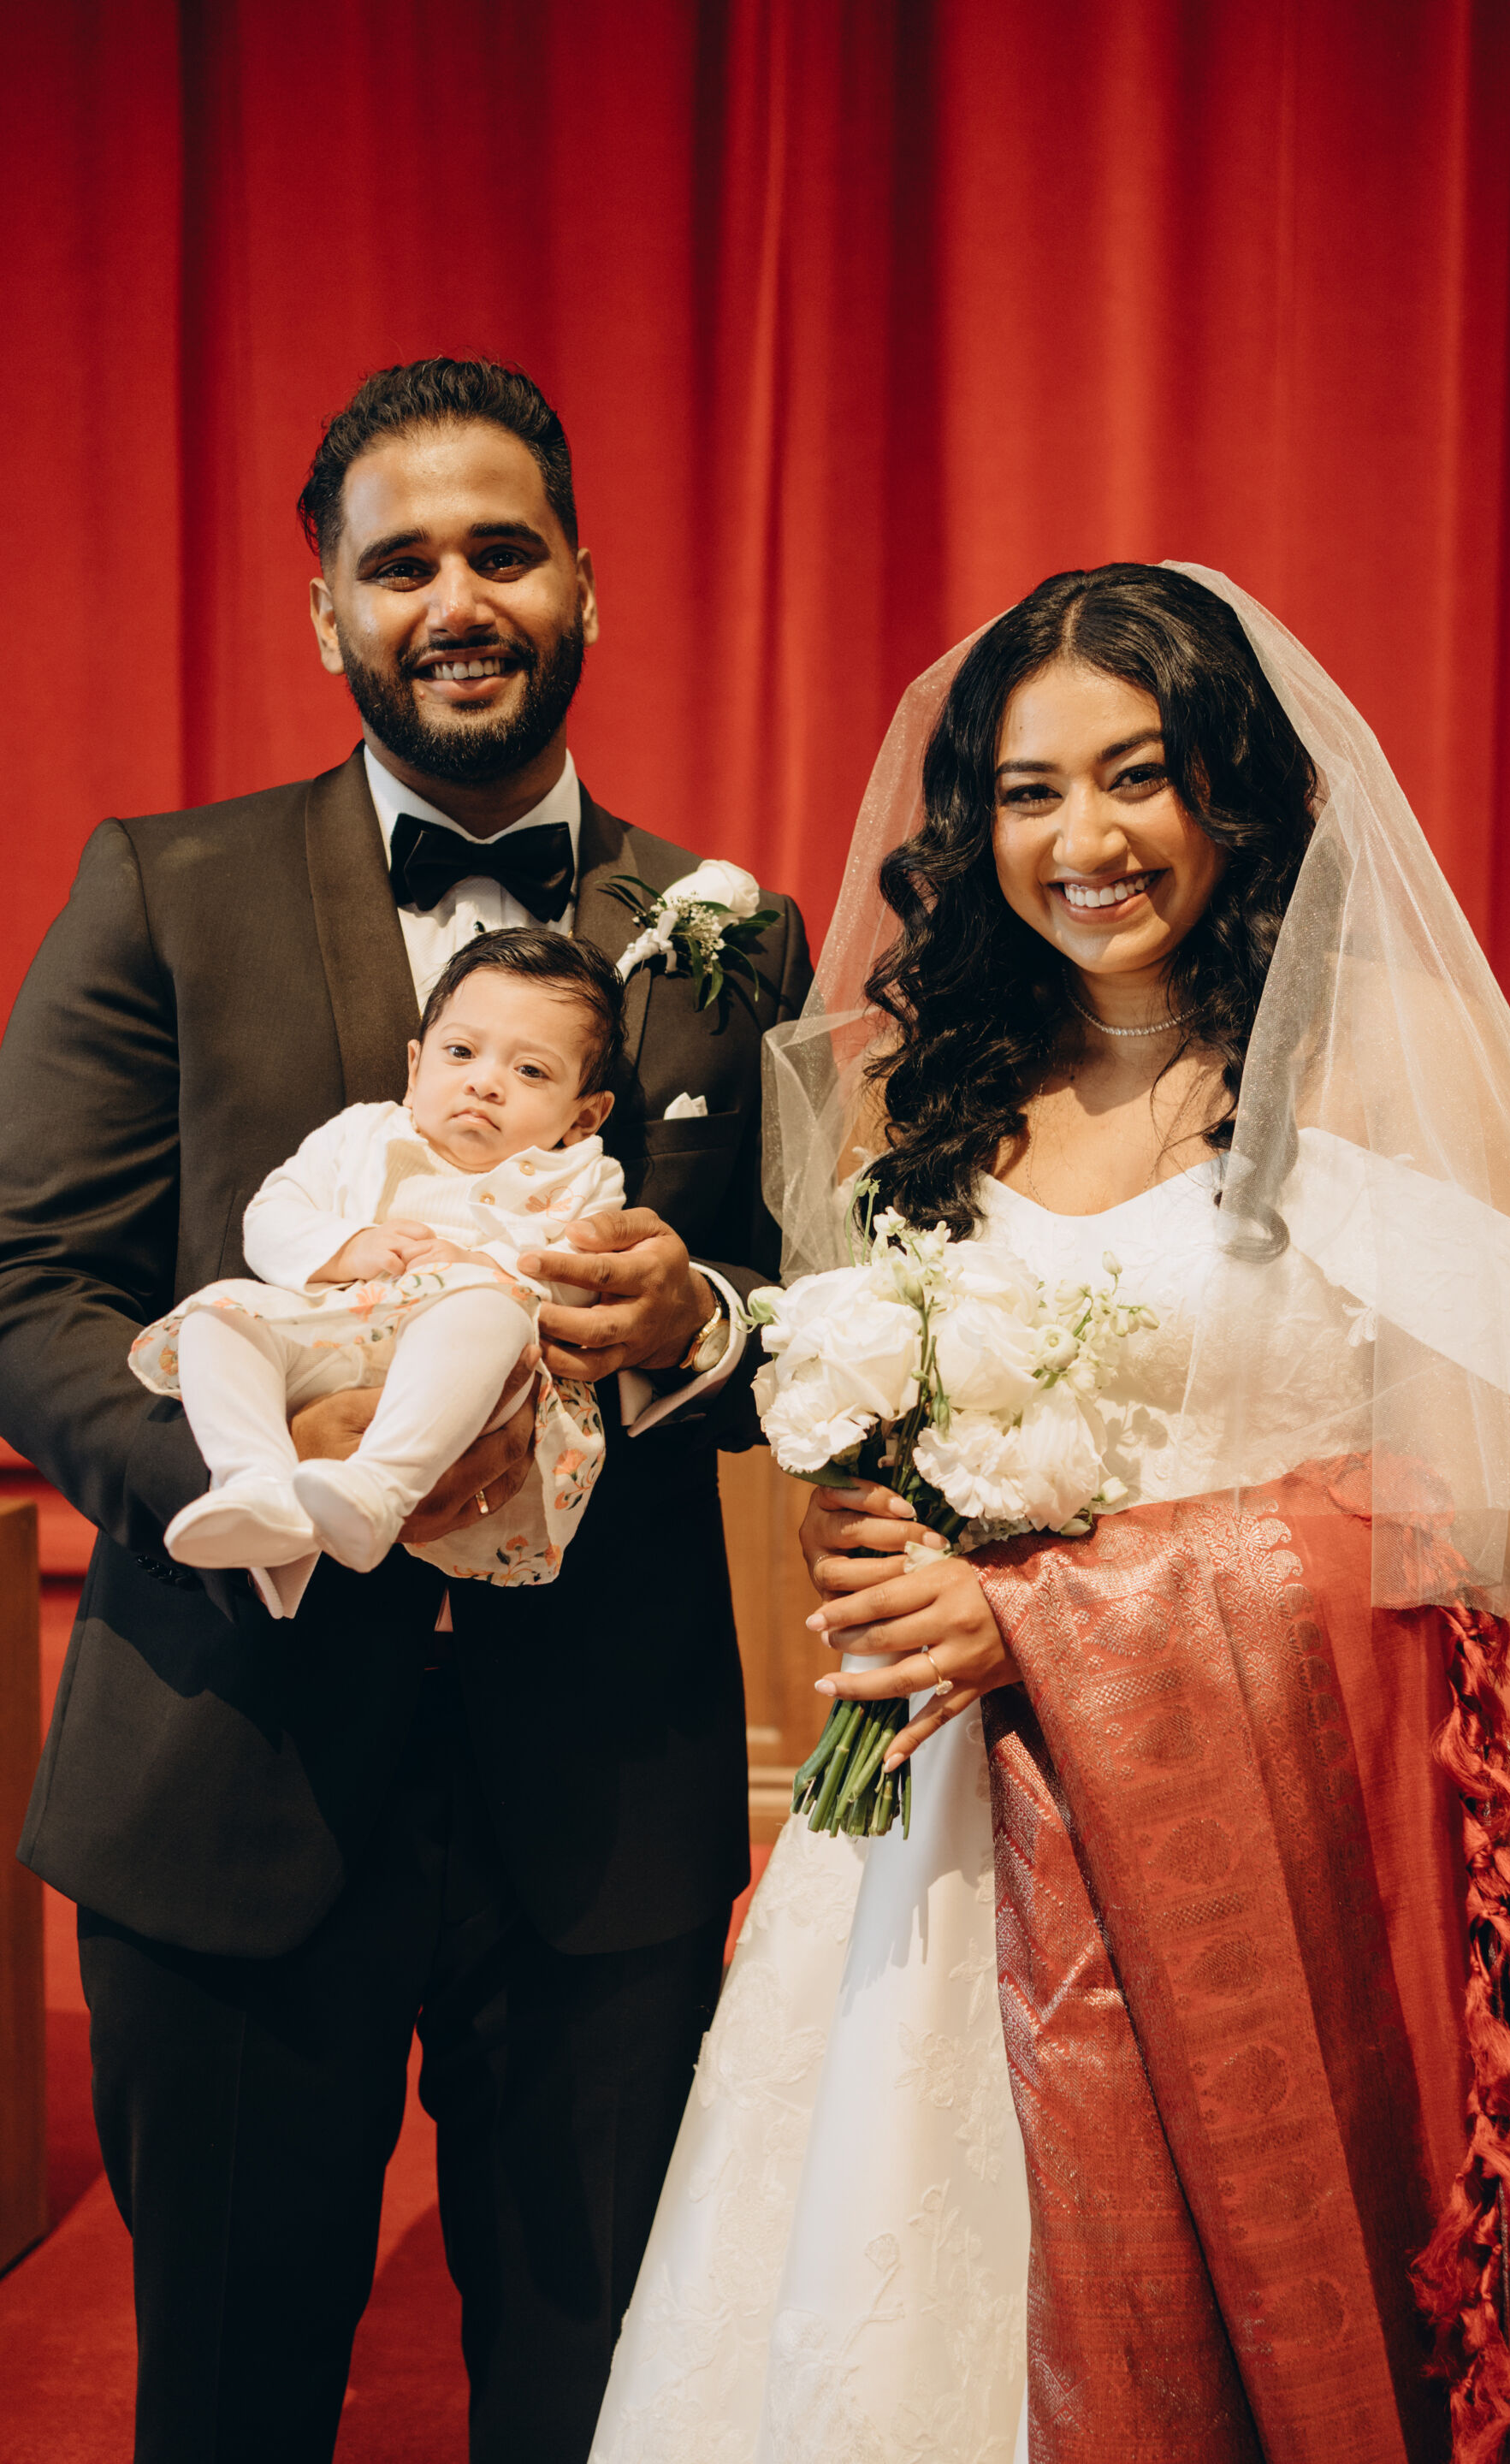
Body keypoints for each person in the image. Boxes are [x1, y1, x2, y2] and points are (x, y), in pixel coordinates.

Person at [593, 565, 1510, 2464]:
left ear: (1230, 782)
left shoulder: (1350, 1071)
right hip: (937, 1838)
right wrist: (869, 1518)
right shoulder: (926, 1090)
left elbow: (1477, 1512)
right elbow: (871, 1397)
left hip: (1281, 1847)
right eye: (1028, 791)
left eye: (1136, 775)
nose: (1083, 841)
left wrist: (1051, 1610)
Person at [0, 356, 811, 2464]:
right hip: (230, 1761)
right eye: (401, 562)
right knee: (229, 2401)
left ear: (585, 585)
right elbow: (32, 1285)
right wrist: (259, 1473)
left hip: (601, 1806)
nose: (455, 598)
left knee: (591, 2394)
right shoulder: (163, 887)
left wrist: (699, 1318)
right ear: (327, 614)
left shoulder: (730, 935)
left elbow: (812, 1308)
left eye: (503, 550)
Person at [133, 928, 626, 1593]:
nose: (484, 1082)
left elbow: (577, 1286)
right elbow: (270, 1217)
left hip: (468, 1378)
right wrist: (347, 1246)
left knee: (487, 1309)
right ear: (415, 1068)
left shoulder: (581, 1176)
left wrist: (479, 1266)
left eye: (531, 1071)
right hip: (336, 1336)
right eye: (461, 1052)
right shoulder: (361, 1134)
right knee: (220, 1314)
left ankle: (379, 1487)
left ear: (585, 1117)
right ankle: (255, 1482)